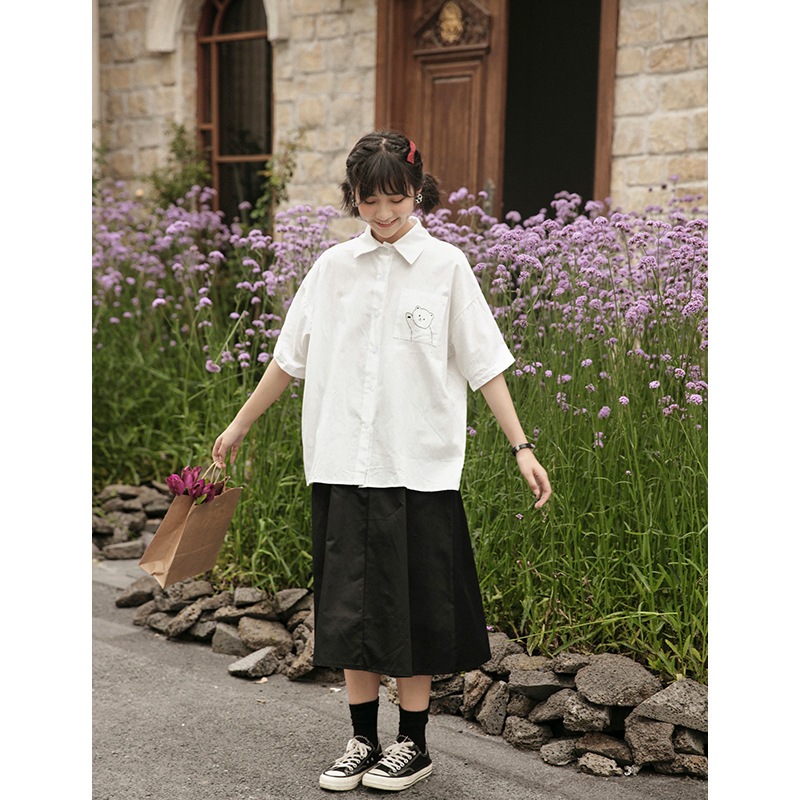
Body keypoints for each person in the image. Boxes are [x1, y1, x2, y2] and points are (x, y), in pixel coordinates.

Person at [212, 130, 551, 793]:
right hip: (343, 464)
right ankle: (362, 740)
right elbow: (288, 359)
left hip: (417, 469)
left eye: (397, 199)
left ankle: (413, 745)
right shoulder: (333, 268)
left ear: (417, 192)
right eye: (370, 202)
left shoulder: (447, 267)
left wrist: (522, 447)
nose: (385, 214)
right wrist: (238, 426)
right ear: (354, 199)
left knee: (414, 613)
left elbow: (485, 364)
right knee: (350, 612)